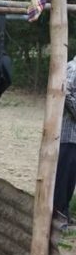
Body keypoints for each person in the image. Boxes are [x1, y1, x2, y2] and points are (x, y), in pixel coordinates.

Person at [54, 55, 76, 222]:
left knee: (70, 178)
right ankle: (58, 215)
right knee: (63, 177)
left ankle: (64, 213)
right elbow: (65, 93)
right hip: (68, 133)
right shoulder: (72, 68)